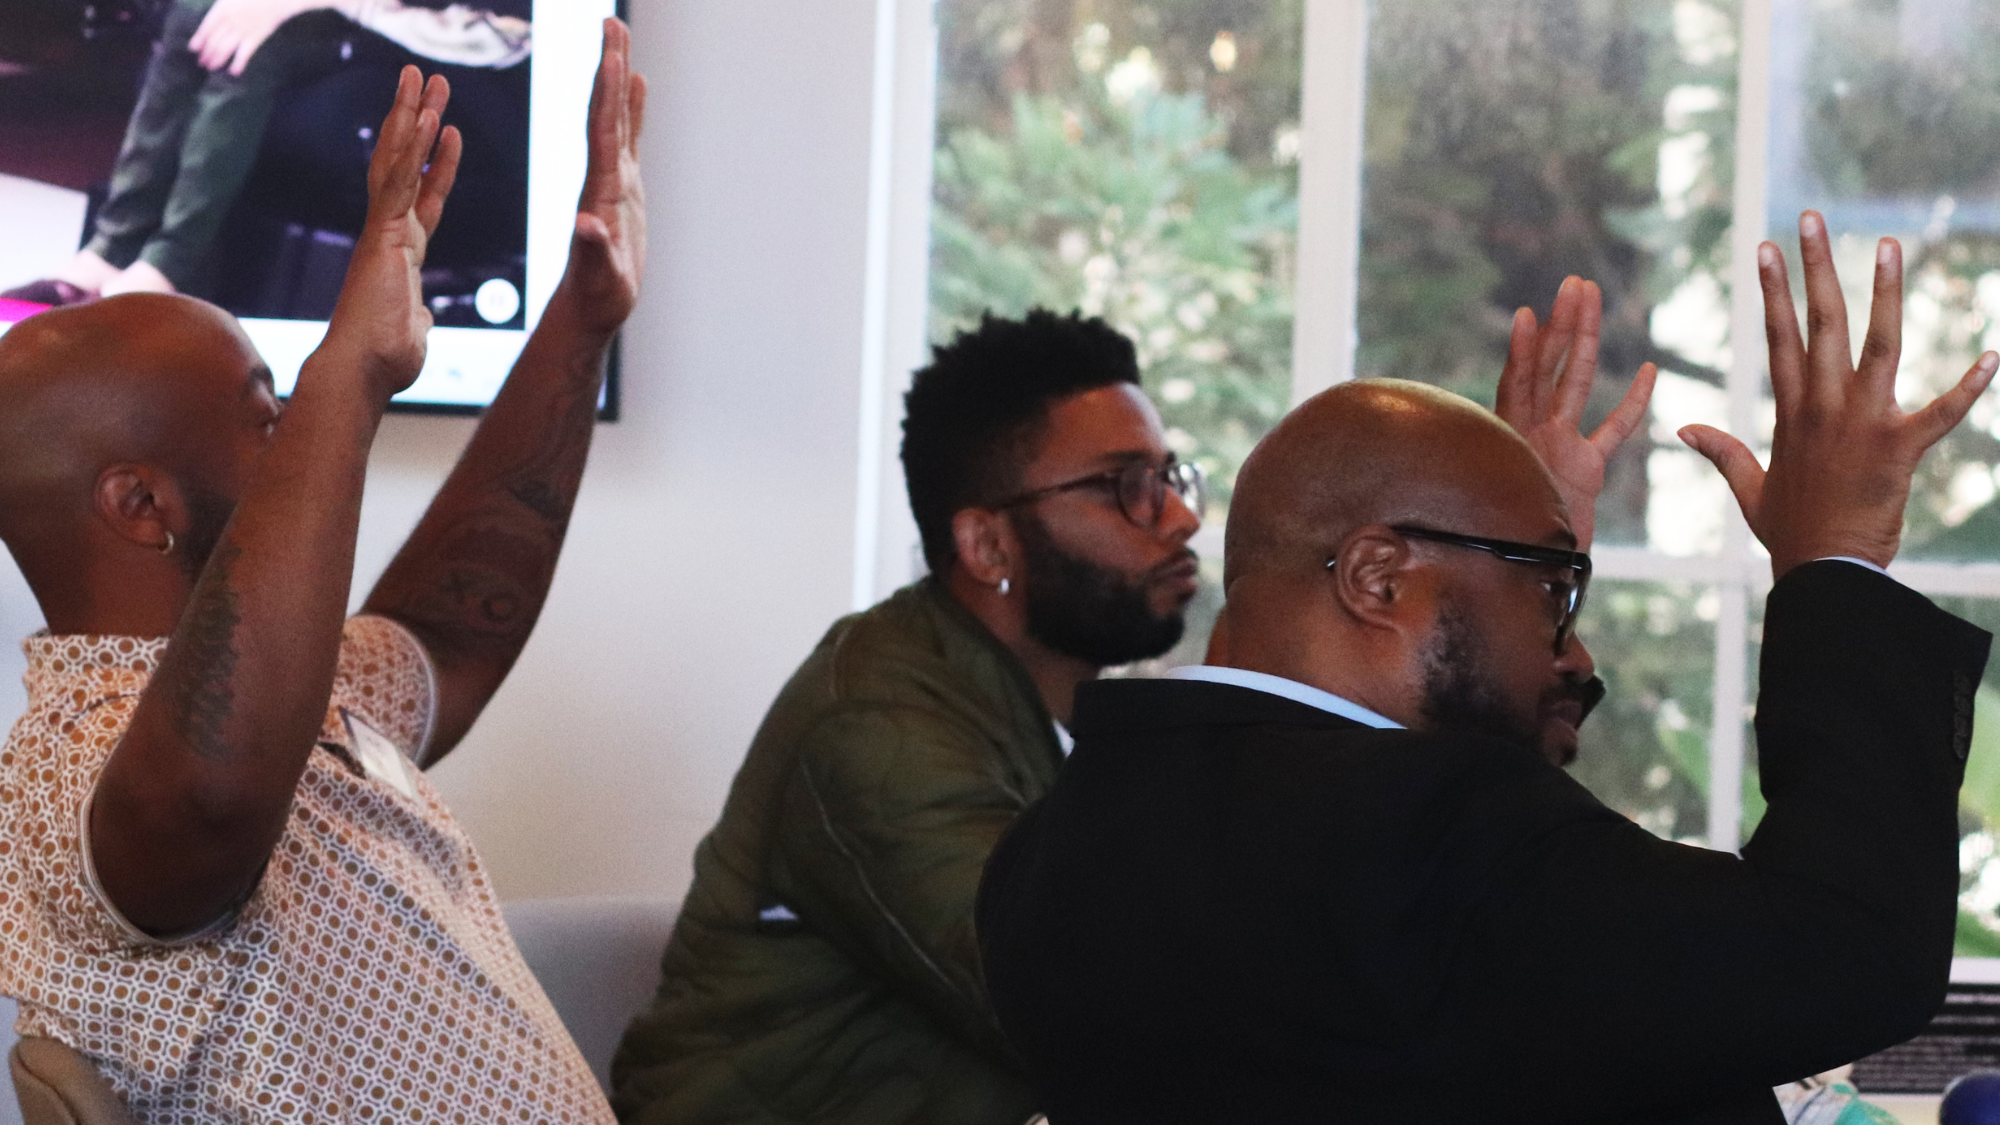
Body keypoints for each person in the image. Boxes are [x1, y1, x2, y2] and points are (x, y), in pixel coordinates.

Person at [975, 213, 1999, 1125]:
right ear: (1378, 576)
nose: (1575, 651)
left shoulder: (1051, 857)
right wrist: (1833, 562)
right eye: (1554, 590)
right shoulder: (1431, 838)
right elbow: (1845, 948)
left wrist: (1509, 544)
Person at [608, 285, 1644, 1125]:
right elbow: (1108, 1009)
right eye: (1124, 486)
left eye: (1170, 475)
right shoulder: (877, 724)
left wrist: (1509, 574)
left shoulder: (1100, 724)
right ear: (987, 544)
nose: (1180, 515)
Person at [0, 18, 644, 1122]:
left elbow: (453, 628)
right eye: (269, 415)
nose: (298, 429)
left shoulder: (309, 687)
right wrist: (350, 369)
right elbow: (208, 799)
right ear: (142, 507)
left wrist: (579, 325)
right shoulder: (65, 769)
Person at [3, 0, 530, 305]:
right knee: (197, 12)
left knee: (251, 45)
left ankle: (168, 264)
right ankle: (112, 247)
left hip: (453, 33)